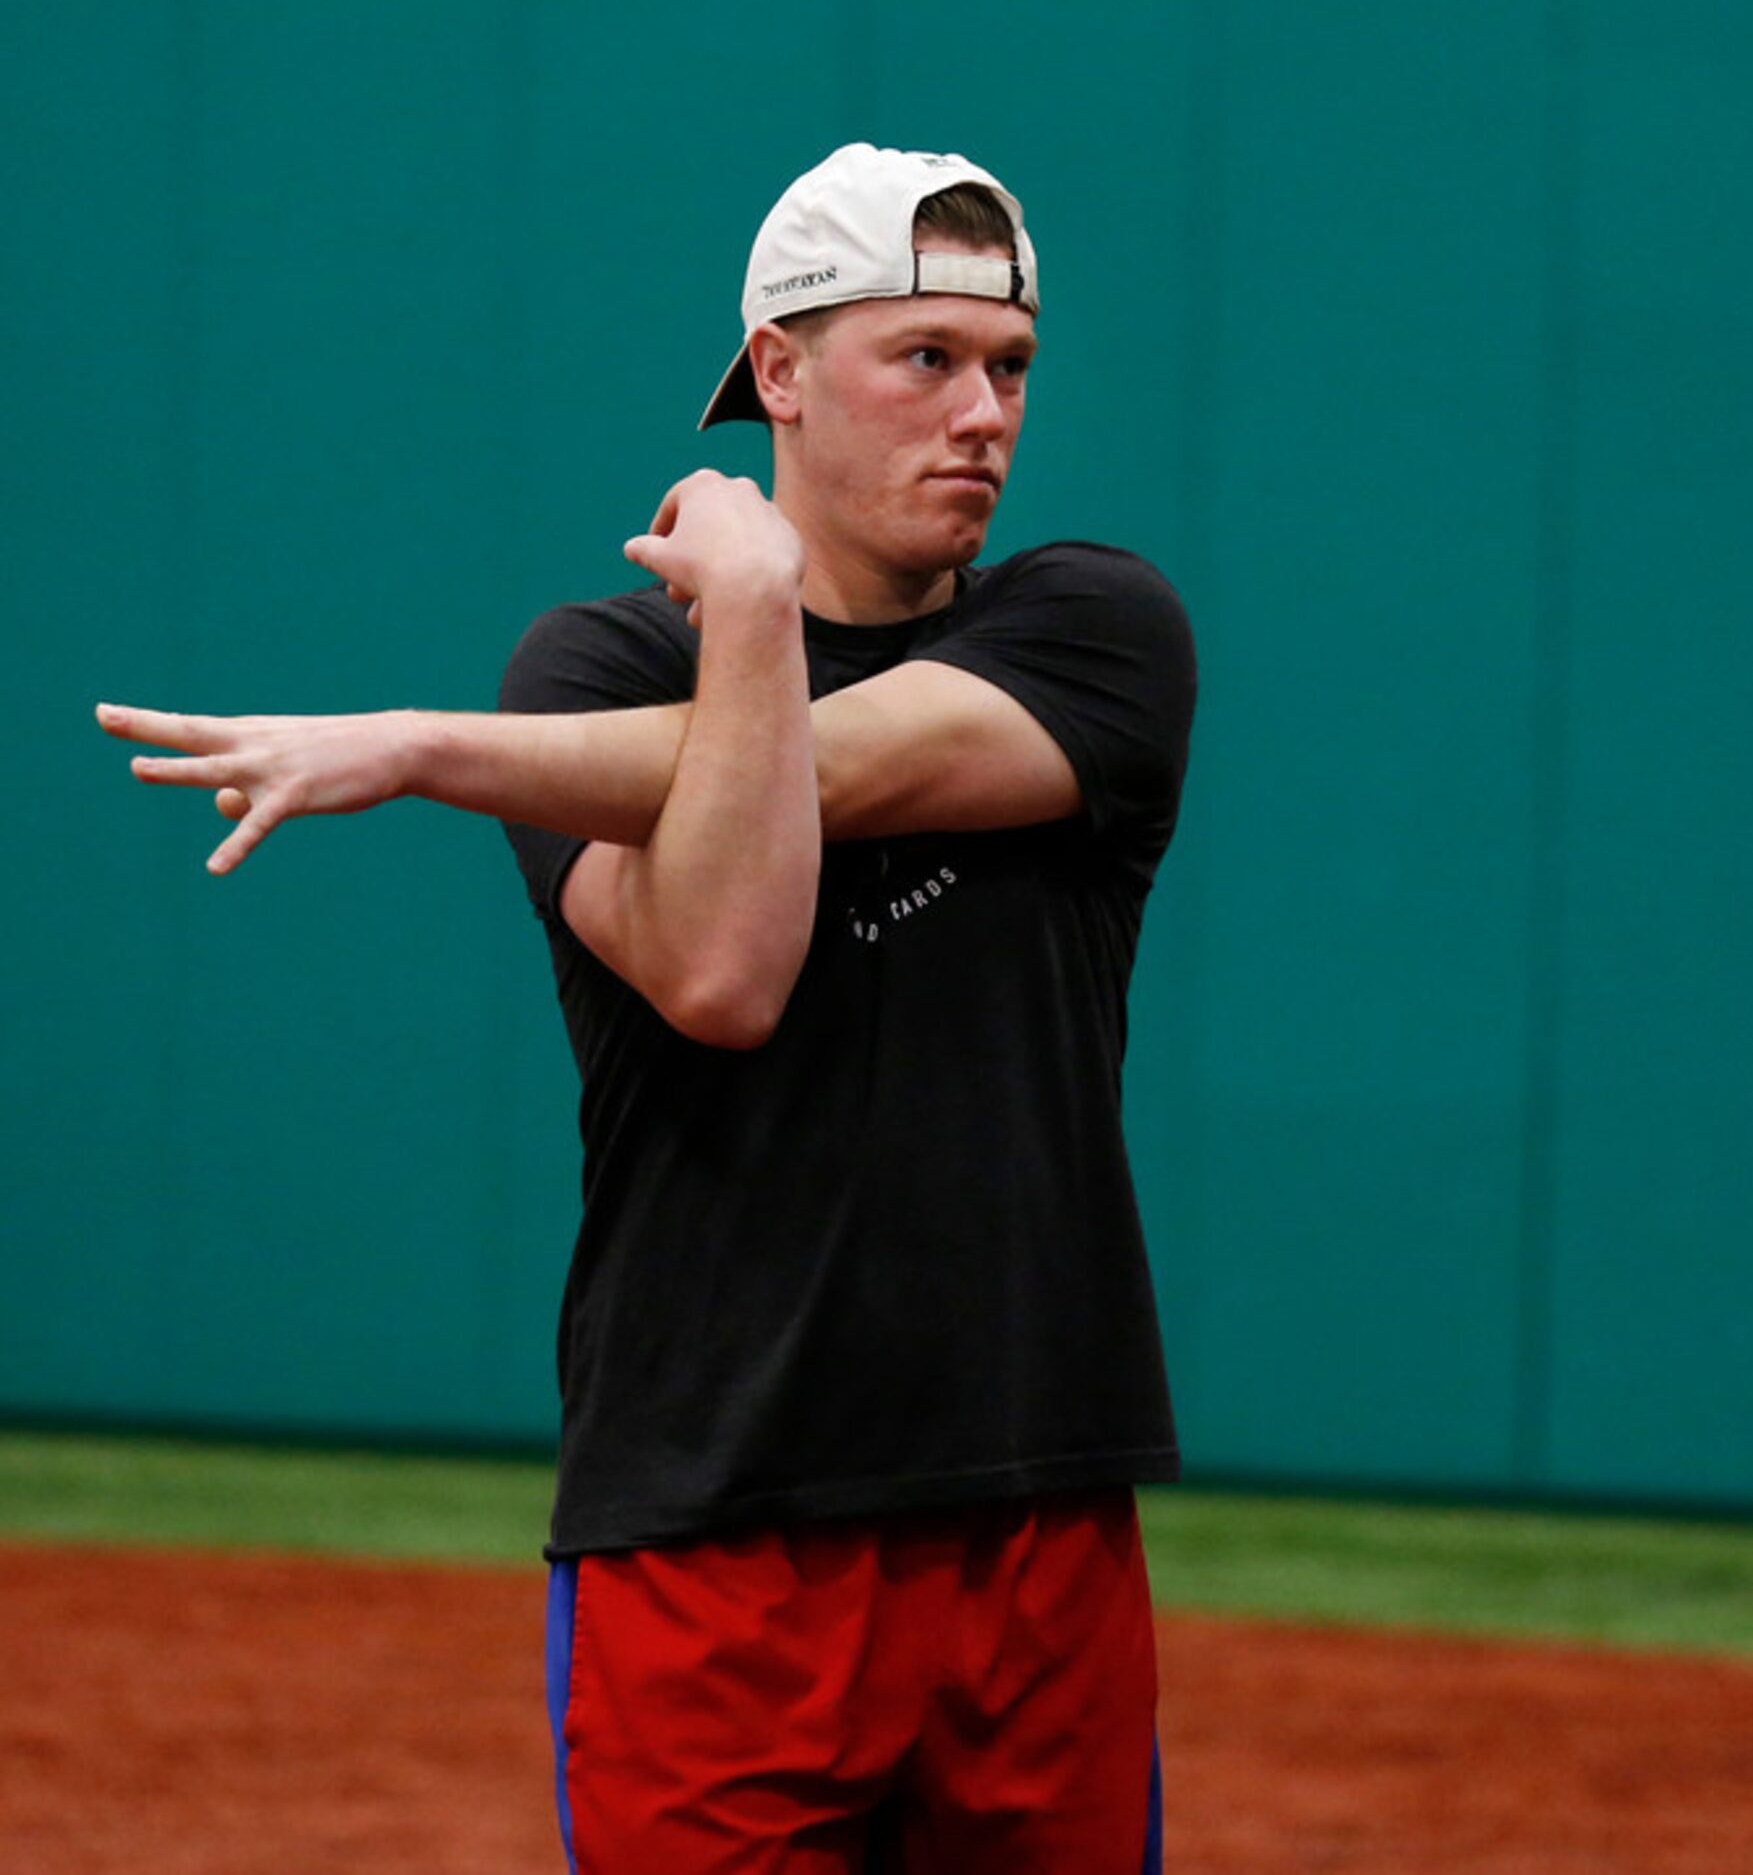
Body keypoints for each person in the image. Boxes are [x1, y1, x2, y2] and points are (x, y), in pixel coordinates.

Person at [100, 142, 1194, 1874]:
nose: (982, 413)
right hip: (711, 1533)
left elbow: (833, 768)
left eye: (1010, 369)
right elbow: (723, 967)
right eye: (924, 360)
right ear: (778, 372)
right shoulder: (596, 669)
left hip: (1035, 1526)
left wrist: (422, 747)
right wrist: (752, 606)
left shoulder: (1097, 633)